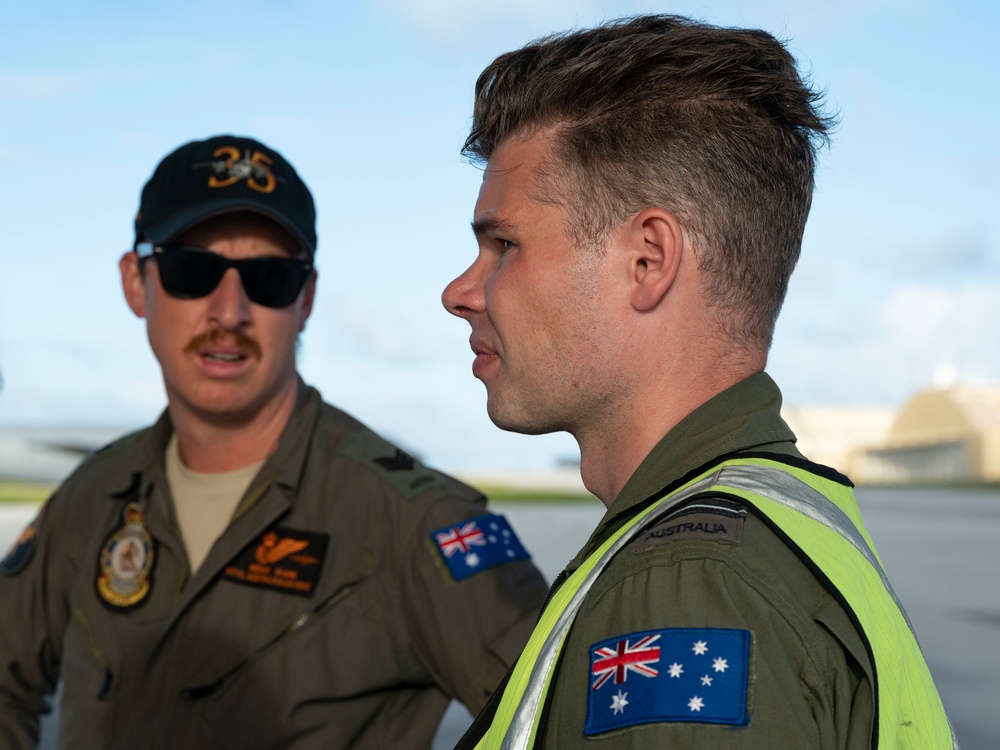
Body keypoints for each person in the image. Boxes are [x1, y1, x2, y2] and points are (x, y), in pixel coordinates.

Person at [442, 15, 955, 750]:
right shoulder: (787, 518)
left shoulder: (688, 586)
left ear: (648, 260)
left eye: (504, 245)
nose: (460, 291)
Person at [0, 134, 548, 749]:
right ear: (136, 282)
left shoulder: (411, 522)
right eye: (192, 271)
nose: (229, 311)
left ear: (306, 298)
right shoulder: (93, 497)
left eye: (270, 278)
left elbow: (560, 721)